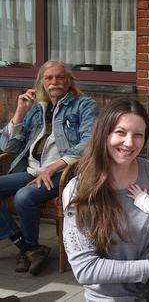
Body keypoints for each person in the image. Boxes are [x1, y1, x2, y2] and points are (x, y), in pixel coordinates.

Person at [62, 99, 149, 301]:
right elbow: (86, 269)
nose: (129, 143)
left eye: (138, 135)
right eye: (120, 132)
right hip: (115, 296)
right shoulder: (78, 191)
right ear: (104, 133)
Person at [0, 60, 98, 276]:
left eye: (60, 77)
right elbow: (8, 146)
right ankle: (28, 248)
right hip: (32, 170)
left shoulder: (84, 105)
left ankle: (30, 246)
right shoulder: (35, 110)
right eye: (49, 78)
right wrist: (19, 112)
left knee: (24, 197)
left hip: (64, 173)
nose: (55, 82)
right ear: (41, 82)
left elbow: (90, 141)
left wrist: (54, 167)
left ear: (69, 81)